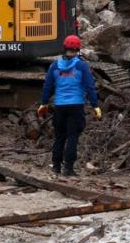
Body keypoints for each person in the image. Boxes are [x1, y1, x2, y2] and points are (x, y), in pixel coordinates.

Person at [37, 34, 102, 176]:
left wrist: (44, 104)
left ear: (64, 48)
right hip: (76, 106)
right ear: (78, 49)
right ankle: (68, 168)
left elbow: (47, 87)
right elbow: (90, 87)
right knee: (72, 137)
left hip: (59, 107)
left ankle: (56, 167)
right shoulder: (82, 66)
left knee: (59, 136)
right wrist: (95, 105)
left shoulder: (54, 66)